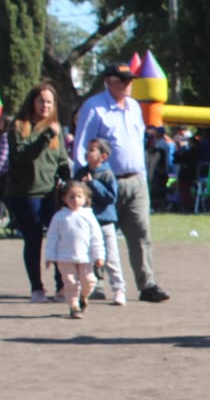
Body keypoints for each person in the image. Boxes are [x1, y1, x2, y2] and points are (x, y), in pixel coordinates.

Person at [73, 62, 170, 303]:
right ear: (109, 80)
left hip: (135, 180)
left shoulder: (135, 107)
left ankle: (147, 283)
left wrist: (143, 177)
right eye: (123, 80)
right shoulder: (94, 108)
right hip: (105, 181)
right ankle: (96, 283)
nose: (128, 84)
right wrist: (81, 181)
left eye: (130, 80)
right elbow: (82, 145)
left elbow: (137, 143)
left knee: (141, 232)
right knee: (101, 233)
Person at [7, 83, 72, 302]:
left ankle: (62, 286)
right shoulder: (19, 126)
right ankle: (36, 288)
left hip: (51, 194)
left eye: (49, 102)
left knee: (60, 240)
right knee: (33, 240)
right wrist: (44, 137)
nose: (45, 105)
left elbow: (61, 159)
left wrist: (68, 181)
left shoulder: (55, 128)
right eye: (41, 100)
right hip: (26, 194)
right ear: (32, 102)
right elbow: (21, 155)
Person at [74, 138, 127, 306]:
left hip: (104, 223)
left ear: (102, 156)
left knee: (111, 258)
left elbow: (110, 197)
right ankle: (91, 288)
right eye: (87, 149)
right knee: (88, 258)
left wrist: (92, 183)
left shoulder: (107, 174)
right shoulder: (81, 172)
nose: (87, 152)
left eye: (91, 150)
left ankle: (119, 289)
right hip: (86, 224)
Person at [44, 181, 104, 319]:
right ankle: (73, 306)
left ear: (85, 198)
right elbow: (52, 238)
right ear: (64, 198)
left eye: (78, 196)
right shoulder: (59, 217)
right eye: (71, 197)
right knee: (70, 282)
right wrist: (50, 256)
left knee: (89, 281)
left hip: (85, 257)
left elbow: (96, 238)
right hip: (64, 257)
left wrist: (99, 256)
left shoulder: (89, 216)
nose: (75, 200)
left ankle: (83, 296)